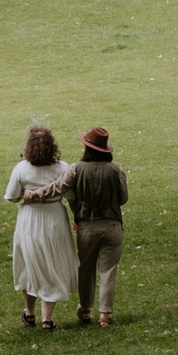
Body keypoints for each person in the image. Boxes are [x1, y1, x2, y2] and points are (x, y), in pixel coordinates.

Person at [50, 125, 127, 327]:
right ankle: (104, 315)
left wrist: (35, 193)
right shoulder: (116, 170)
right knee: (108, 271)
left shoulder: (76, 169)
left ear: (87, 148)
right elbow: (123, 198)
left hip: (87, 227)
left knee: (86, 269)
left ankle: (85, 310)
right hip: (112, 226)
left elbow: (59, 187)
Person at [4, 125, 78, 329]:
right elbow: (71, 195)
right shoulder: (63, 167)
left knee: (29, 262)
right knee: (51, 262)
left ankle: (30, 313)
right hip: (54, 217)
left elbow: (11, 196)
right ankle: (47, 319)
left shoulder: (21, 168)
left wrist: (26, 195)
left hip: (30, 218)